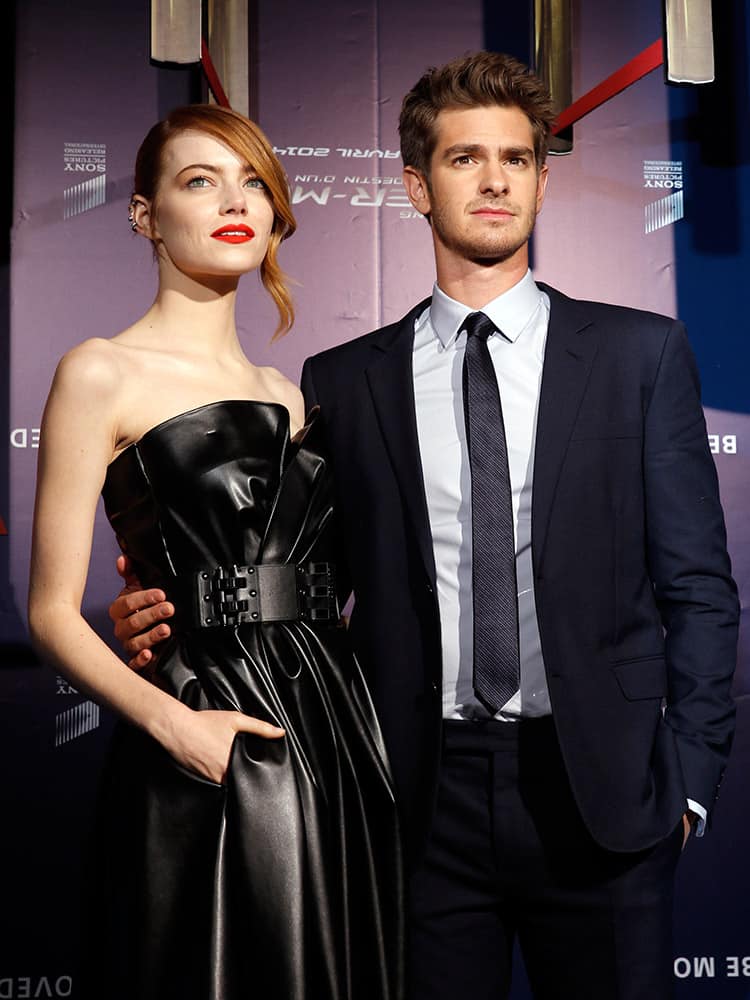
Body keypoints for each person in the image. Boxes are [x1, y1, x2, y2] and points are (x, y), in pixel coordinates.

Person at [111, 53, 739, 1000]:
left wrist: (685, 786)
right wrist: (169, 606)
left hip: (604, 798)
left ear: (539, 177)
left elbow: (699, 587)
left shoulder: (638, 354)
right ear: (417, 185)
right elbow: (300, 585)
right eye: (465, 159)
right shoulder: (342, 381)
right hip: (410, 799)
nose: (494, 181)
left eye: (518, 160)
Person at [28, 104, 402, 1000]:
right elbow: (47, 609)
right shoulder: (100, 370)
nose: (235, 202)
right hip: (206, 715)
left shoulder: (293, 391)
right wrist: (177, 728)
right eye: (200, 181)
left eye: (253, 184)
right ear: (145, 214)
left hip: (335, 722)